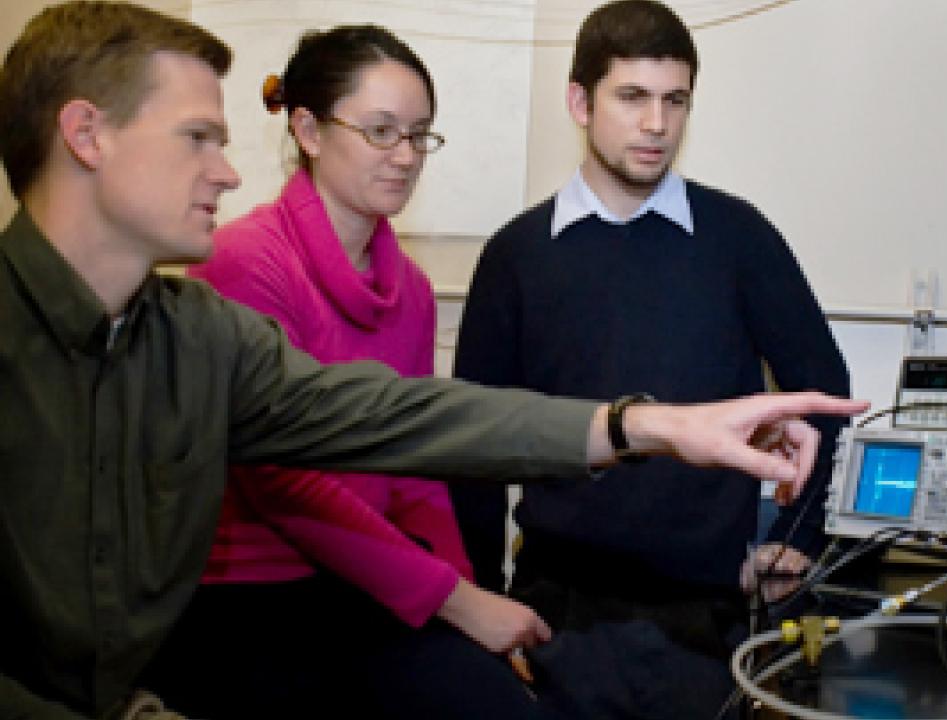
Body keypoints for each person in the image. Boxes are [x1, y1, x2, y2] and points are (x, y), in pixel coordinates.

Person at [0, 3, 866, 719]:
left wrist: (651, 432)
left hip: (568, 597)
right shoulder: (249, 277)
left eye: (420, 134)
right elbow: (311, 480)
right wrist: (463, 594)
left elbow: (421, 429)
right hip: (286, 604)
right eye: (197, 138)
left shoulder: (210, 328)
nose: (227, 173)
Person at [133, 25, 561, 720]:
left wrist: (462, 600)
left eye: (419, 135)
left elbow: (416, 464)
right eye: (381, 131)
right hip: (248, 592)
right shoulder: (245, 260)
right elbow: (280, 480)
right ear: (308, 128)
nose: (405, 156)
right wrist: (456, 600)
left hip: (368, 578)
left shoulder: (413, 290)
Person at [451, 1, 852, 717]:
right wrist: (475, 602)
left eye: (675, 101)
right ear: (580, 100)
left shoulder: (739, 238)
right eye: (631, 97)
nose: (656, 124)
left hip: (707, 621)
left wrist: (799, 541)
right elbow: (473, 446)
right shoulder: (516, 256)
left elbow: (823, 393)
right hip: (555, 617)